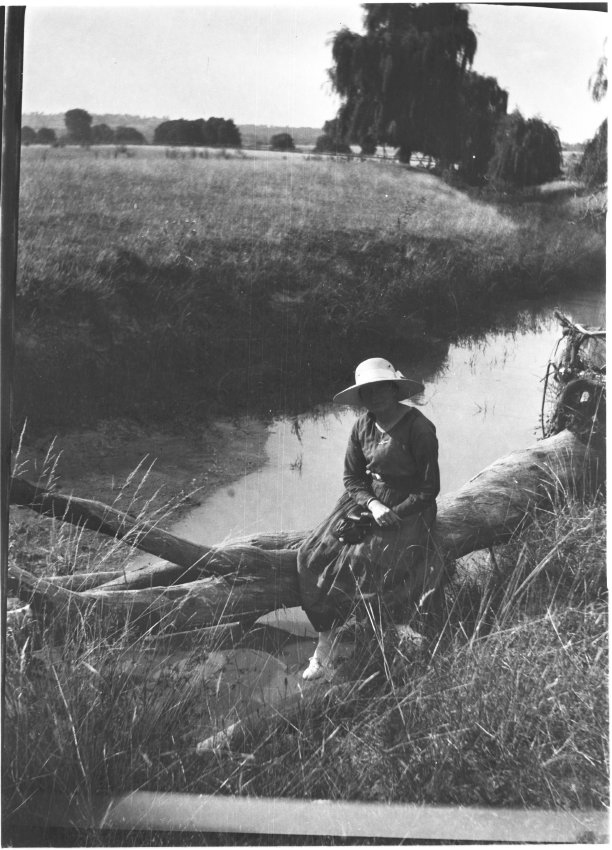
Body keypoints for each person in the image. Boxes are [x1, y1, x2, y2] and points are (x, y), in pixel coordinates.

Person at [297, 357, 442, 681]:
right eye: (367, 392)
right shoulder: (362, 426)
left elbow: (429, 488)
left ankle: (385, 635)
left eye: (381, 389)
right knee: (311, 554)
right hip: (368, 500)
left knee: (366, 558)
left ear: (395, 390)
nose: (375, 396)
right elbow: (352, 478)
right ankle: (325, 643)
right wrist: (373, 505)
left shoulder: (419, 427)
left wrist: (396, 512)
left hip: (409, 504)